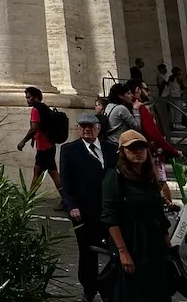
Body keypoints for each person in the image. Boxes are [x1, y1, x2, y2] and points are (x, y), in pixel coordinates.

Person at [101, 130, 173, 302]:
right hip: (131, 243)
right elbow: (110, 216)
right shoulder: (115, 177)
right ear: (122, 152)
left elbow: (158, 214)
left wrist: (168, 246)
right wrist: (122, 251)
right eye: (131, 149)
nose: (137, 152)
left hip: (153, 244)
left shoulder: (149, 178)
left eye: (141, 148)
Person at [59, 113, 117, 302]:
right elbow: (66, 182)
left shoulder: (111, 149)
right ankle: (89, 289)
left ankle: (111, 285)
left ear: (98, 127)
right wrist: (72, 205)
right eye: (82, 126)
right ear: (78, 128)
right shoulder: (69, 150)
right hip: (83, 211)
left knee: (116, 249)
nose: (86, 129)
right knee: (87, 252)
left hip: (109, 209)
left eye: (90, 126)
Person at [133, 82, 182, 208]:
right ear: (137, 90)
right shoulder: (142, 108)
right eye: (145, 89)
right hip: (151, 151)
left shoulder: (138, 107)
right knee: (158, 181)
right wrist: (170, 150)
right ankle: (168, 207)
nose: (148, 92)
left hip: (147, 150)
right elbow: (153, 133)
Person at [17, 86, 61, 193]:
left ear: (36, 97)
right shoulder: (44, 108)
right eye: (26, 98)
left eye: (29, 97)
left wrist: (23, 141)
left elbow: (34, 128)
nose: (27, 100)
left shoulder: (36, 110)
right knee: (39, 172)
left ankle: (66, 200)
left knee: (50, 173)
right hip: (48, 146)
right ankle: (30, 198)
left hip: (44, 147)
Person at [103, 82, 139, 148]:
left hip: (109, 142)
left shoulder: (109, 106)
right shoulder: (121, 108)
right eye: (128, 93)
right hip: (118, 144)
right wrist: (136, 109)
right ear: (121, 96)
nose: (131, 95)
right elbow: (137, 127)